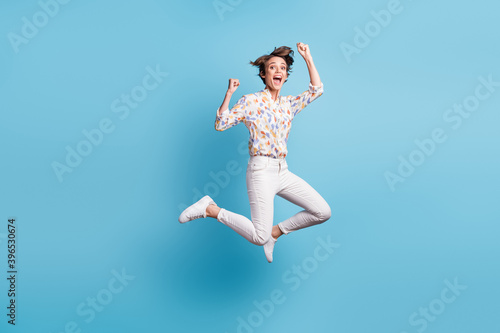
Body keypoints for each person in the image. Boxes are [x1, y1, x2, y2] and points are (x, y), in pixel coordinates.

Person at [179, 42, 331, 263]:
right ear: (263, 74)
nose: (278, 70)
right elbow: (221, 124)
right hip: (261, 171)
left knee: (322, 212)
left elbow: (317, 90)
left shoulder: (288, 105)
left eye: (282, 68)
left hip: (283, 171)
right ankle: (210, 209)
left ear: (286, 76)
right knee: (259, 237)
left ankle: (275, 233)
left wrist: (308, 57)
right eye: (272, 67)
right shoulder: (251, 101)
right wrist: (229, 93)